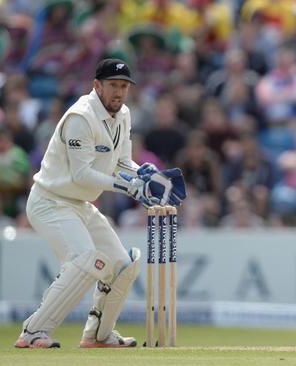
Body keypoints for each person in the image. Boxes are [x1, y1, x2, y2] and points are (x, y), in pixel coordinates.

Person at [14, 58, 186, 349]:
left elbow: (121, 162)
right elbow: (81, 175)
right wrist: (128, 187)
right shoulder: (80, 117)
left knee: (122, 265)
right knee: (85, 260)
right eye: (112, 86)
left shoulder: (124, 114)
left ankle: (98, 334)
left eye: (123, 87)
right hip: (50, 201)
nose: (118, 92)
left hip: (79, 204)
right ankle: (33, 332)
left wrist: (142, 173)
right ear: (97, 86)